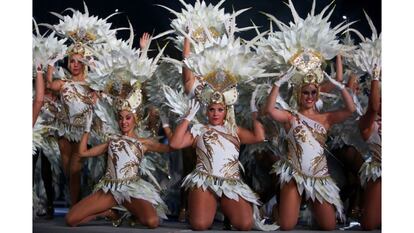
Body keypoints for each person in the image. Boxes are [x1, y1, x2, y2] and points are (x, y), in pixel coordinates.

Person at [265, 56, 356, 230]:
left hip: (318, 178)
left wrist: (340, 86)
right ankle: (276, 209)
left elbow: (350, 109)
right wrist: (277, 84)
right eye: (305, 92)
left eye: (313, 93)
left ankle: (312, 206)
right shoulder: (290, 116)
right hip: (295, 174)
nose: (310, 96)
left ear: (318, 94)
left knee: (329, 226)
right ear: (298, 93)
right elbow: (269, 110)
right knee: (287, 225)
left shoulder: (326, 118)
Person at [65, 94, 171, 228]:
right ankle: (108, 212)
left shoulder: (143, 143)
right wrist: (87, 128)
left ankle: (129, 211)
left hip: (132, 190)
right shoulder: (112, 141)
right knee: (70, 219)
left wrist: (166, 124)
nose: (124, 122)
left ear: (135, 119)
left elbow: (172, 147)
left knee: (152, 222)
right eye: (120, 118)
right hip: (110, 189)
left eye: (128, 118)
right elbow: (82, 152)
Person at [169, 90, 268, 231]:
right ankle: (201, 207)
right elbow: (174, 144)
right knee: (200, 225)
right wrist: (187, 119)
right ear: (206, 111)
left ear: (226, 111)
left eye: (220, 110)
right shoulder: (199, 130)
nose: (215, 113)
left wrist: (254, 112)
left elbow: (259, 137)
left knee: (245, 225)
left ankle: (226, 211)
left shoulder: (235, 131)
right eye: (212, 109)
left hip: (230, 183)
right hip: (204, 181)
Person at [46, 44, 97, 205]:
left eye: (79, 61)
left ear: (84, 64)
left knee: (76, 170)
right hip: (64, 128)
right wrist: (50, 64)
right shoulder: (63, 82)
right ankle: (76, 198)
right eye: (72, 61)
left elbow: (105, 83)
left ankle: (75, 206)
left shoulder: (92, 84)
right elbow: (48, 85)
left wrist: (92, 63)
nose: (75, 64)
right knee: (68, 170)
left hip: (83, 131)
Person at [358, 66, 381, 230]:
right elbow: (373, 108)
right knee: (369, 225)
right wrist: (375, 77)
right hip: (379, 172)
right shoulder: (367, 124)